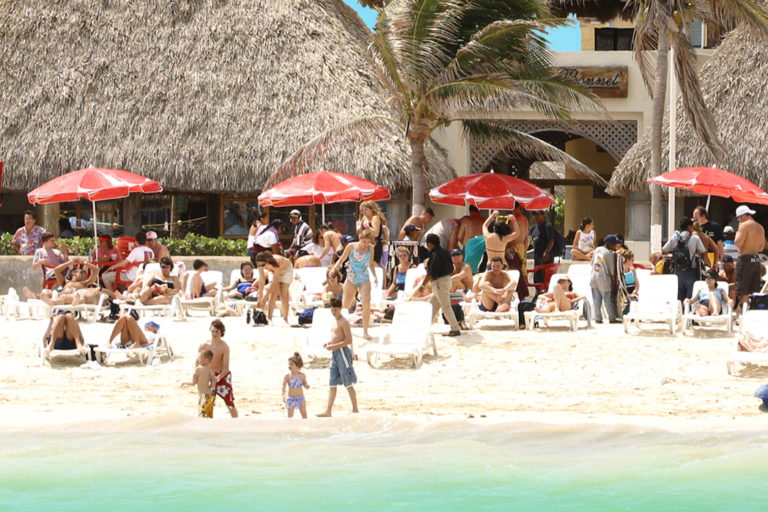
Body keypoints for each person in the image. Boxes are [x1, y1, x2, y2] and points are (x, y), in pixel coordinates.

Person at [332, 229, 377, 339]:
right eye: (364, 241)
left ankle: (365, 331)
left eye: (368, 242)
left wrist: (375, 276)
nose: (366, 244)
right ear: (359, 239)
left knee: (366, 303)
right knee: (345, 305)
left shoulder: (371, 249)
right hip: (351, 277)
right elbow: (341, 260)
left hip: (364, 278)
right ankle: (338, 327)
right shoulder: (351, 247)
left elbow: (370, 264)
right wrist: (334, 268)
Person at [317, 299, 358, 417]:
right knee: (332, 382)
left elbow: (348, 340)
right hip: (334, 353)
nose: (333, 312)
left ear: (340, 309)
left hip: (342, 353)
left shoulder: (343, 322)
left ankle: (355, 409)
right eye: (332, 310)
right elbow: (336, 336)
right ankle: (328, 410)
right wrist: (329, 344)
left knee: (348, 382)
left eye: (335, 310)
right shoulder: (334, 321)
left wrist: (334, 346)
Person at [419, 233, 461, 336]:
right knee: (432, 304)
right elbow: (451, 268)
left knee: (446, 306)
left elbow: (431, 272)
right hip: (446, 279)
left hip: (439, 282)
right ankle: (423, 325)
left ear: (430, 243)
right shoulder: (446, 252)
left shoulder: (434, 254)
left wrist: (423, 285)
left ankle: (455, 328)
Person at [197, 319, 238, 418]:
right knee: (206, 401)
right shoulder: (204, 346)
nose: (214, 334)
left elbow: (226, 368)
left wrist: (218, 378)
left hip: (222, 375)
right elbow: (198, 362)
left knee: (229, 402)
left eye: (217, 331)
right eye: (213, 331)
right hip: (208, 375)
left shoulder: (224, 347)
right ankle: (206, 425)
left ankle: (237, 423)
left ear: (221, 332)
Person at [663, 217, 707, 302]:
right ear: (690, 226)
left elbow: (664, 251)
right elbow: (703, 251)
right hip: (691, 271)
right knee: (689, 299)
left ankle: (680, 313)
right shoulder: (695, 238)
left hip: (678, 271)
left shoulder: (675, 238)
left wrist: (675, 251)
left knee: (679, 298)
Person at [734, 205, 767, 309]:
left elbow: (738, 243)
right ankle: (753, 311)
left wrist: (738, 231)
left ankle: (743, 315)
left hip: (745, 259)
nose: (738, 220)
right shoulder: (760, 227)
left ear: (743, 215)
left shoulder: (744, 226)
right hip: (756, 259)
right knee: (754, 289)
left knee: (743, 290)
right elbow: (761, 248)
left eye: (739, 217)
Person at [590, 234, 622, 324]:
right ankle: (612, 318)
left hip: (594, 276)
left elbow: (592, 263)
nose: (616, 246)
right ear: (610, 244)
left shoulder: (597, 250)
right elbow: (612, 271)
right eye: (615, 244)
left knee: (596, 300)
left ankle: (598, 318)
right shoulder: (608, 254)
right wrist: (613, 283)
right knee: (607, 299)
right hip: (603, 279)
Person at [255, 250, 294, 324]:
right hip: (273, 271)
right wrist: (260, 298)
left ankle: (285, 319)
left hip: (286, 270)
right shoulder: (260, 264)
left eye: (263, 265)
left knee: (283, 294)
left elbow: (275, 283)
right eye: (259, 265)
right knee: (273, 293)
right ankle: (269, 319)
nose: (261, 267)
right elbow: (262, 281)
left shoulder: (276, 262)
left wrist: (264, 298)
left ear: (268, 262)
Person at [182, 349, 217, 418]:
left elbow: (193, 383)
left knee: (202, 415)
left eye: (200, 358)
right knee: (209, 416)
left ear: (206, 360)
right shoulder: (210, 370)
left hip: (203, 396)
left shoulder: (198, 369)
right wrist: (212, 386)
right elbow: (214, 379)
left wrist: (184, 383)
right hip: (210, 395)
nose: (199, 359)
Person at [357, 201, 387, 265]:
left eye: (366, 209)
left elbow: (376, 233)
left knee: (374, 264)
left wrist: (368, 227)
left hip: (374, 245)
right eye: (362, 210)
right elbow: (361, 234)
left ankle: (382, 274)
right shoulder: (364, 219)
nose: (364, 212)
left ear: (371, 209)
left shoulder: (375, 218)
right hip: (365, 245)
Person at [530, 210, 556, 283]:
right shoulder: (533, 228)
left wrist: (547, 251)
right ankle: (538, 292)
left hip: (546, 257)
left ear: (543, 215)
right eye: (534, 214)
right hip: (537, 257)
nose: (535, 216)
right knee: (537, 277)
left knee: (545, 278)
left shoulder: (548, 226)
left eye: (537, 214)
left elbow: (551, 240)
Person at [282, 352, 310, 419]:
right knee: (290, 417)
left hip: (300, 398)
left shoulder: (302, 375)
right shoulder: (288, 376)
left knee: (304, 416)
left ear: (297, 365)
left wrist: (307, 386)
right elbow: (283, 386)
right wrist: (283, 394)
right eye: (289, 364)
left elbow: (305, 383)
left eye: (291, 364)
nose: (289, 366)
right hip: (291, 398)